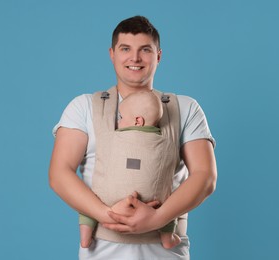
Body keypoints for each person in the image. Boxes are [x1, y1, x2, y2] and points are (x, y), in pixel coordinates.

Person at [49, 15, 217, 259]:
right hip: (102, 253)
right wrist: (109, 216)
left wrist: (157, 219)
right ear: (112, 54)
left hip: (166, 253)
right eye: (125, 48)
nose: (135, 58)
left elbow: (205, 176)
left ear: (158, 55)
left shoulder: (185, 108)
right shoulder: (84, 107)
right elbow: (59, 173)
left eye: (145, 50)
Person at [79, 91, 181, 249]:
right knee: (169, 206)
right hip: (151, 201)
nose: (119, 122)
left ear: (137, 121)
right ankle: (167, 238)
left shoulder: (114, 136)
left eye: (121, 117)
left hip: (107, 199)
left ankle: (85, 237)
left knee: (87, 204)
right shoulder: (165, 139)